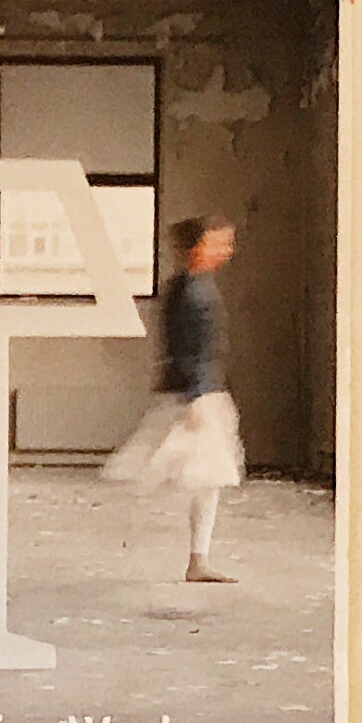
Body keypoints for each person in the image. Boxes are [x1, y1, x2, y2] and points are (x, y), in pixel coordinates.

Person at [100, 213, 246, 584]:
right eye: (220, 241)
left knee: (204, 477)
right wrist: (197, 397)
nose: (227, 250)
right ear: (200, 245)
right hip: (194, 395)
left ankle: (197, 559)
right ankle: (176, 553)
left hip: (197, 392)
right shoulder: (191, 292)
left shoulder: (190, 287)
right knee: (164, 470)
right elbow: (187, 348)